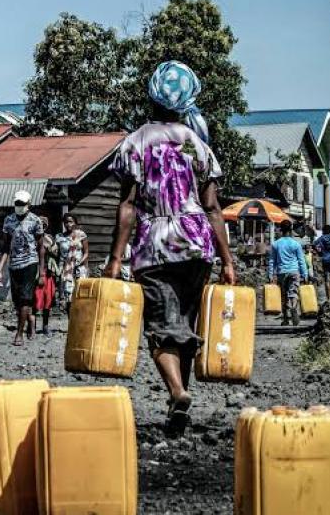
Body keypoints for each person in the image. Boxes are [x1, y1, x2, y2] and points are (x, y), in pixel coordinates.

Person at [104, 60, 234, 435]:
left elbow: (127, 205)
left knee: (162, 326)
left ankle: (177, 392)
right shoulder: (199, 146)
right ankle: (180, 405)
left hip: (156, 245)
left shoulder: (135, 142)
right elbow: (213, 208)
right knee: (186, 326)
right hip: (197, 245)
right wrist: (227, 260)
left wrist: (116, 259)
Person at [0, 190, 45, 346]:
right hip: (14, 264)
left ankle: (19, 334)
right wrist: (0, 270)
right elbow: (5, 246)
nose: (19, 206)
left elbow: (41, 247)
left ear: (28, 204)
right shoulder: (8, 220)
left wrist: (42, 271)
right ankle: (29, 319)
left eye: (22, 204)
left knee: (25, 297)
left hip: (30, 263)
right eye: (17, 203)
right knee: (17, 300)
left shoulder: (35, 221)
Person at [268, 220, 308, 326]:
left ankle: (285, 319)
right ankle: (294, 308)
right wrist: (305, 274)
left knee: (284, 295)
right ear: (291, 230)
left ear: (281, 230)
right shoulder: (296, 244)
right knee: (293, 293)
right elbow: (301, 260)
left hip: (281, 272)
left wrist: (270, 274)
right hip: (294, 271)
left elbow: (272, 260)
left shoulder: (275, 244)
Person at [55, 213, 89, 314]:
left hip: (79, 268)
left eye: (70, 222)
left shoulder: (81, 235)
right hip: (66, 270)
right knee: (68, 295)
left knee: (81, 295)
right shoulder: (59, 237)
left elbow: (86, 252)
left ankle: (81, 322)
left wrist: (80, 263)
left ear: (75, 223)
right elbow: (57, 254)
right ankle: (71, 323)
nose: (68, 224)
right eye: (66, 222)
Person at [33, 216, 57, 336]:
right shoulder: (32, 237)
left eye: (43, 224)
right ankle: (32, 326)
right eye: (39, 223)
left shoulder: (50, 238)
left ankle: (45, 326)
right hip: (34, 272)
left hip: (48, 272)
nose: (41, 226)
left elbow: (55, 252)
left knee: (48, 300)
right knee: (35, 299)